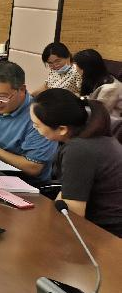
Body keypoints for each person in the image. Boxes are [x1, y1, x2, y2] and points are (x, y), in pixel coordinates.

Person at [31, 89, 122, 237]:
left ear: (62, 129)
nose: (34, 129)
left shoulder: (79, 150)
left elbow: (72, 214)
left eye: (37, 125)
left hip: (107, 236)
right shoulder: (93, 136)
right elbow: (68, 192)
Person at [73, 49, 122, 119]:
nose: (76, 69)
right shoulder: (99, 79)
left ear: (87, 69)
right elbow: (91, 98)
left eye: (77, 66)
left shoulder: (110, 88)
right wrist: (77, 98)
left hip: (112, 121)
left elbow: (101, 115)